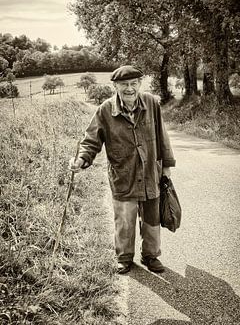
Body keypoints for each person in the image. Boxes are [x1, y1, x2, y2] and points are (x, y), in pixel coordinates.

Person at [69, 65, 176, 274]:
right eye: (124, 84)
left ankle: (151, 256)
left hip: (150, 173)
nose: (130, 88)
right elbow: (91, 141)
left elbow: (163, 136)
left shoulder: (152, 103)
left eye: (133, 84)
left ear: (139, 84)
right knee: (124, 221)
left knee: (152, 220)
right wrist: (81, 159)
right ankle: (125, 258)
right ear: (116, 86)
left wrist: (167, 166)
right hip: (123, 175)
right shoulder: (105, 110)